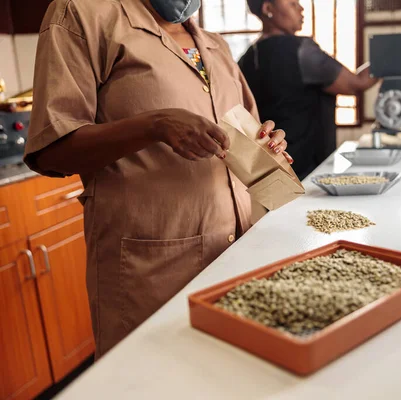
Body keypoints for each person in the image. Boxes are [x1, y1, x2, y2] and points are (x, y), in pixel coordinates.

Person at [23, 0, 292, 359]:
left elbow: (243, 143)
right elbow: (52, 149)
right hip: (151, 269)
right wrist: (154, 125)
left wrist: (268, 141)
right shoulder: (83, 15)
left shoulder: (216, 45)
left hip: (232, 256)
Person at [238, 0, 380, 180]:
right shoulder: (301, 51)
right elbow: (357, 83)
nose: (301, 8)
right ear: (268, 9)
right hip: (308, 168)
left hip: (270, 171)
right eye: (292, 3)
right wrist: (398, 49)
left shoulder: (246, 59)